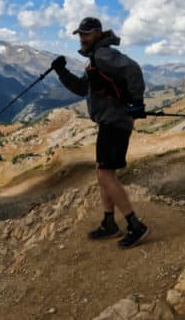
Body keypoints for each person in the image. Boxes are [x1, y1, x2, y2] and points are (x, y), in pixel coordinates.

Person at [51, 16, 149, 249]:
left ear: (96, 33)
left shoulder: (103, 55)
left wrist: (137, 102)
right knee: (102, 172)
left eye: (85, 34)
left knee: (105, 175)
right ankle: (109, 223)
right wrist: (62, 72)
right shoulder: (95, 59)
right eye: (80, 35)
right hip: (110, 121)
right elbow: (81, 88)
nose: (82, 39)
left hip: (115, 121)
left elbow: (133, 69)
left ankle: (135, 225)